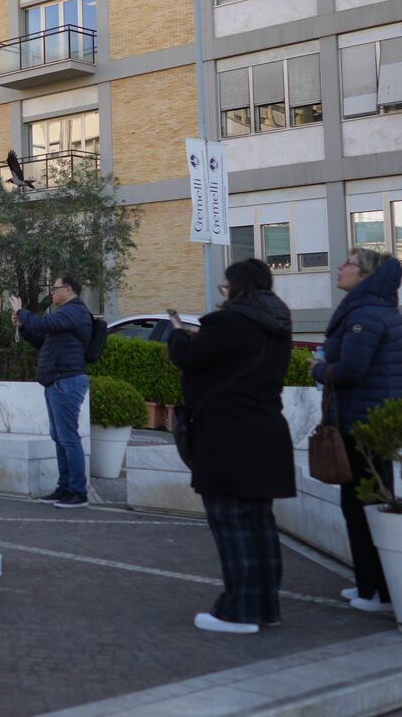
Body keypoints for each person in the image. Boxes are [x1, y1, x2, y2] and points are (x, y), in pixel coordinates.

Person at [168, 259, 296, 634]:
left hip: (228, 435)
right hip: (267, 431)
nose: (223, 292)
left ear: (237, 286)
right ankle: (266, 607)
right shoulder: (278, 323)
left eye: (225, 286)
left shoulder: (230, 321)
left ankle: (239, 611)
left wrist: (177, 332)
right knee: (259, 523)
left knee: (230, 521)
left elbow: (189, 358)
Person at [312, 247, 402, 614]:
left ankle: (382, 593)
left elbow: (352, 370)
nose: (340, 267)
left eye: (349, 263)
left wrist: (317, 370)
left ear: (365, 274)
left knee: (366, 506)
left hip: (365, 425)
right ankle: (369, 586)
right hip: (364, 421)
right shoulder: (369, 309)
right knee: (357, 505)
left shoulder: (366, 313)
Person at [11, 275, 92, 508]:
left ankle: (78, 492)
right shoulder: (66, 316)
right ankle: (64, 488)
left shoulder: (74, 311)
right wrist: (23, 327)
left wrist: (22, 312)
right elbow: (42, 339)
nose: (52, 294)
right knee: (60, 437)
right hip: (56, 381)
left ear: (67, 290)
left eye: (54, 289)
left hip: (67, 380)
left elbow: (42, 324)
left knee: (68, 436)